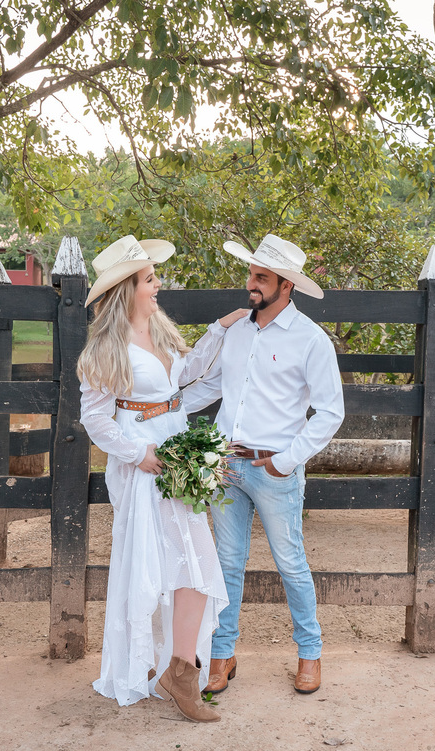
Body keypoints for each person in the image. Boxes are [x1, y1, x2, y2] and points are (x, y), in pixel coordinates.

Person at [77, 234, 248, 723]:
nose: (158, 287)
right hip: (146, 464)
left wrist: (220, 329)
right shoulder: (105, 351)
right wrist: (138, 454)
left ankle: (180, 669)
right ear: (127, 290)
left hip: (176, 453)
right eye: (150, 280)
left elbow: (185, 376)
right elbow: (97, 421)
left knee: (192, 561)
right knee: (170, 563)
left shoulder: (160, 329)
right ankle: (173, 670)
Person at [184, 234, 344, 696]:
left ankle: (310, 654)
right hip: (227, 467)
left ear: (286, 285)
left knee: (290, 563)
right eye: (251, 275)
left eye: (261, 277)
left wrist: (287, 461)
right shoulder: (235, 331)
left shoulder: (311, 341)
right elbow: (209, 387)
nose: (251, 284)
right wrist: (158, 407)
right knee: (227, 563)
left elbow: (331, 412)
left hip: (275, 470)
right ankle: (222, 654)